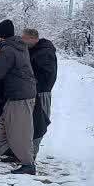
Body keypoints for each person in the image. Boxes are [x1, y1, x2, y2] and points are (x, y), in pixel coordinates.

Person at [0, 19, 38, 175]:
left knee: (19, 131)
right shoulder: (19, 46)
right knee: (3, 127)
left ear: (0, 35)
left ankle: (28, 164)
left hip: (20, 96)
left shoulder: (9, 50)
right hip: (18, 94)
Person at [23, 27, 57, 159]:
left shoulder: (44, 53)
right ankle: (27, 152)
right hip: (36, 91)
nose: (23, 41)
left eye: (24, 38)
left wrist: (33, 82)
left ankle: (31, 155)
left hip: (41, 92)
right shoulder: (37, 50)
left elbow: (47, 74)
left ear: (33, 38)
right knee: (32, 122)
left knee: (39, 122)